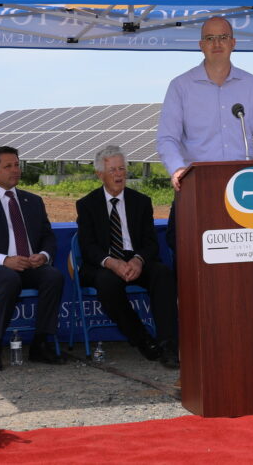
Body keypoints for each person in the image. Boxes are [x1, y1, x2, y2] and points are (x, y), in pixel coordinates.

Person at [0, 146, 65, 369]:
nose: (15, 170)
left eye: (17, 165)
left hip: (30, 265)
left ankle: (41, 344)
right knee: (9, 279)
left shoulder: (33, 201)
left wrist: (44, 256)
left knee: (53, 277)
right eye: (8, 166)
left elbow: (48, 237)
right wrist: (4, 260)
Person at [76, 146, 179, 368]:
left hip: (136, 260)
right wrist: (112, 263)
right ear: (99, 174)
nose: (119, 174)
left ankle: (169, 345)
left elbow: (151, 243)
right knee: (107, 282)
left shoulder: (141, 201)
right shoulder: (87, 205)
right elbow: (88, 247)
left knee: (162, 274)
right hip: (104, 263)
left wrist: (138, 260)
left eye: (122, 168)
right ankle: (142, 339)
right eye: (112, 170)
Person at [156, 15, 253, 192]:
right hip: (196, 186)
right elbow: (167, 139)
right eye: (210, 39)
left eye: (223, 38)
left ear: (233, 43)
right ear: (201, 46)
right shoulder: (180, 86)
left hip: (244, 187)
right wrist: (177, 169)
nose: (217, 44)